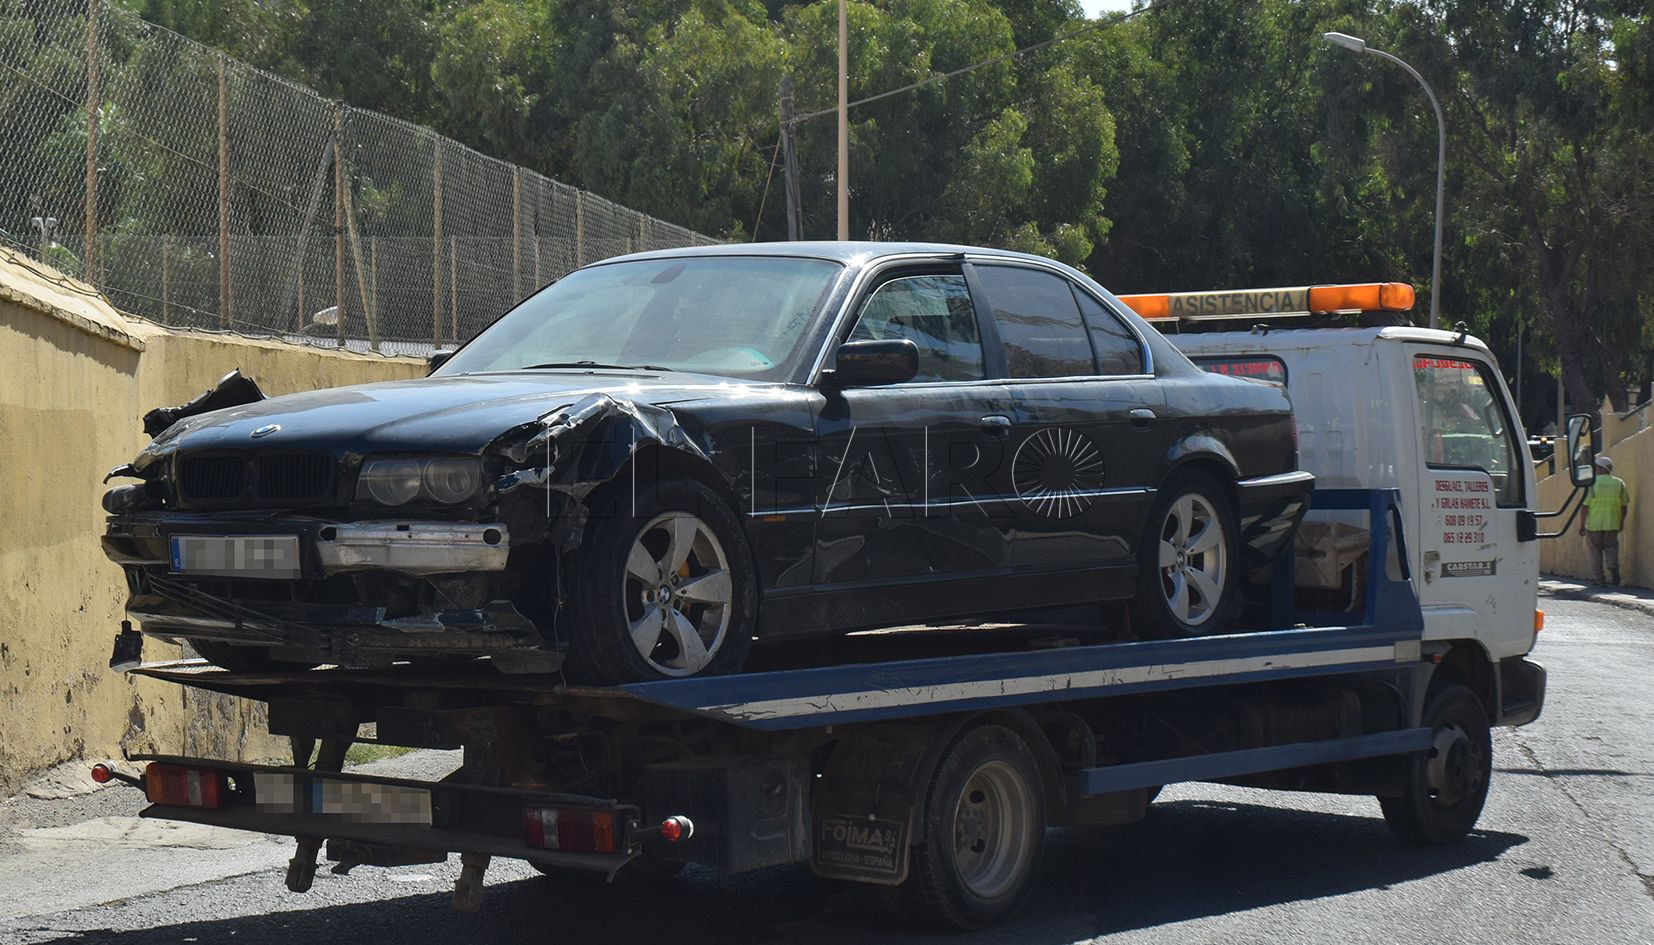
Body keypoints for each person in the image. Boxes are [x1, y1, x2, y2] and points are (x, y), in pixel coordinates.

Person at [1579, 455, 1630, 585]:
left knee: (1595, 551)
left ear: (1601, 468)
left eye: (1596, 467)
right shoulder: (1619, 483)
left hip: (1594, 523)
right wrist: (1621, 521)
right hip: (1612, 522)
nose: (1595, 469)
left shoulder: (1592, 483)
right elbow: (1624, 506)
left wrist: (1582, 525)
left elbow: (1585, 506)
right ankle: (1613, 567)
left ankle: (1600, 580)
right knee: (1611, 547)